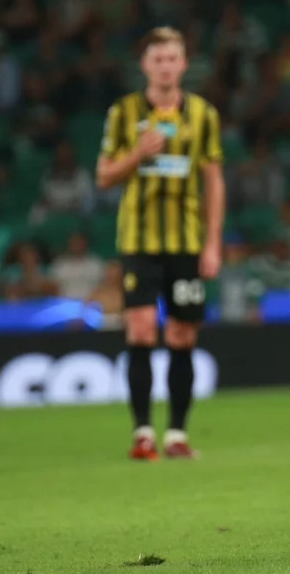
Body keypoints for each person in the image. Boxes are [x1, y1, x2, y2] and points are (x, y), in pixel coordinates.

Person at [95, 27, 225, 461]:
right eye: (158, 59)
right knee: (141, 328)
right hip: (139, 240)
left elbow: (213, 181)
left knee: (182, 333)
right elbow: (103, 176)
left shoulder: (203, 114)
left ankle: (177, 435)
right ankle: (142, 433)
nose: (166, 66)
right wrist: (138, 154)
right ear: (144, 65)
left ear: (183, 64)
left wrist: (212, 243)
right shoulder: (123, 113)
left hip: (186, 242)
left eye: (172, 58)